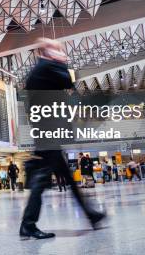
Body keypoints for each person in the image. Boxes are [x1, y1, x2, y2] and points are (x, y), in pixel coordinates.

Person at [20, 38, 106, 239]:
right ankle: (27, 225)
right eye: (57, 49)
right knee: (41, 181)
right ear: (47, 51)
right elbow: (68, 81)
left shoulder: (42, 69)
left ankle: (91, 215)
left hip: (47, 132)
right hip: (47, 132)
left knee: (65, 178)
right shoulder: (44, 68)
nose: (62, 53)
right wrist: (59, 61)